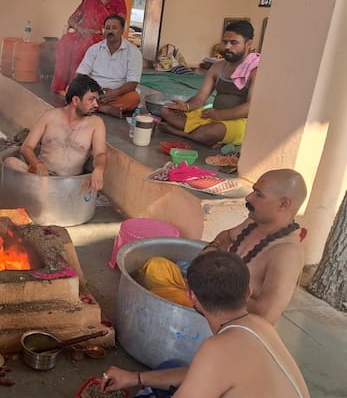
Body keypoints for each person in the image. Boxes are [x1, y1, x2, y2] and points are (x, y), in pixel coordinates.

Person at [100, 251, 310, 398]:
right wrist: (135, 378)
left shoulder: (217, 349)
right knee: (172, 367)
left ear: (192, 297)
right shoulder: (261, 325)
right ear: (248, 292)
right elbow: (200, 375)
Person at [142, 169, 308, 324]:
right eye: (253, 190)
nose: (248, 198)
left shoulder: (287, 253)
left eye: (259, 194)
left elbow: (266, 314)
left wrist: (214, 294)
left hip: (220, 314)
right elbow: (227, 236)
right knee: (155, 266)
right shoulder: (253, 222)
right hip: (201, 291)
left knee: (154, 298)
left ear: (284, 204)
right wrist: (209, 252)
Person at [158, 20, 259, 147]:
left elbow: (250, 107)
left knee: (211, 131)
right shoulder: (217, 67)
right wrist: (186, 107)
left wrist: (221, 115)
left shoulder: (255, 70)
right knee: (166, 110)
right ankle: (202, 136)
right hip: (213, 116)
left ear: (248, 44)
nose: (227, 47)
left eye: (233, 43)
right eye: (225, 42)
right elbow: (201, 97)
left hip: (238, 122)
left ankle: (178, 132)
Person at [4, 74, 107, 191]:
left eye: (96, 100)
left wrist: (99, 170)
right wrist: (38, 164)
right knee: (10, 161)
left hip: (71, 183)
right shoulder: (50, 116)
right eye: (91, 99)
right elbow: (26, 147)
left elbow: (100, 154)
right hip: (41, 177)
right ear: (76, 100)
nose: (96, 105)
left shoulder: (96, 124)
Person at [50, 0, 126, 95]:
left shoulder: (119, 1)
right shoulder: (89, 0)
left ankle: (75, 88)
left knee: (82, 47)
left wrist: (96, 31)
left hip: (104, 36)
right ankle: (61, 86)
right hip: (83, 33)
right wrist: (79, 28)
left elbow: (119, 23)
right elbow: (72, 19)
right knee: (65, 42)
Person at [75, 14, 142, 118]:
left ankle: (90, 106)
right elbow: (81, 74)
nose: (110, 31)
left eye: (114, 28)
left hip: (118, 94)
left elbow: (133, 83)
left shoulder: (134, 52)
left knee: (133, 98)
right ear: (104, 30)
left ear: (122, 30)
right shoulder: (94, 49)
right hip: (94, 92)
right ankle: (103, 108)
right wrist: (95, 90)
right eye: (107, 28)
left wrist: (115, 93)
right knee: (71, 88)